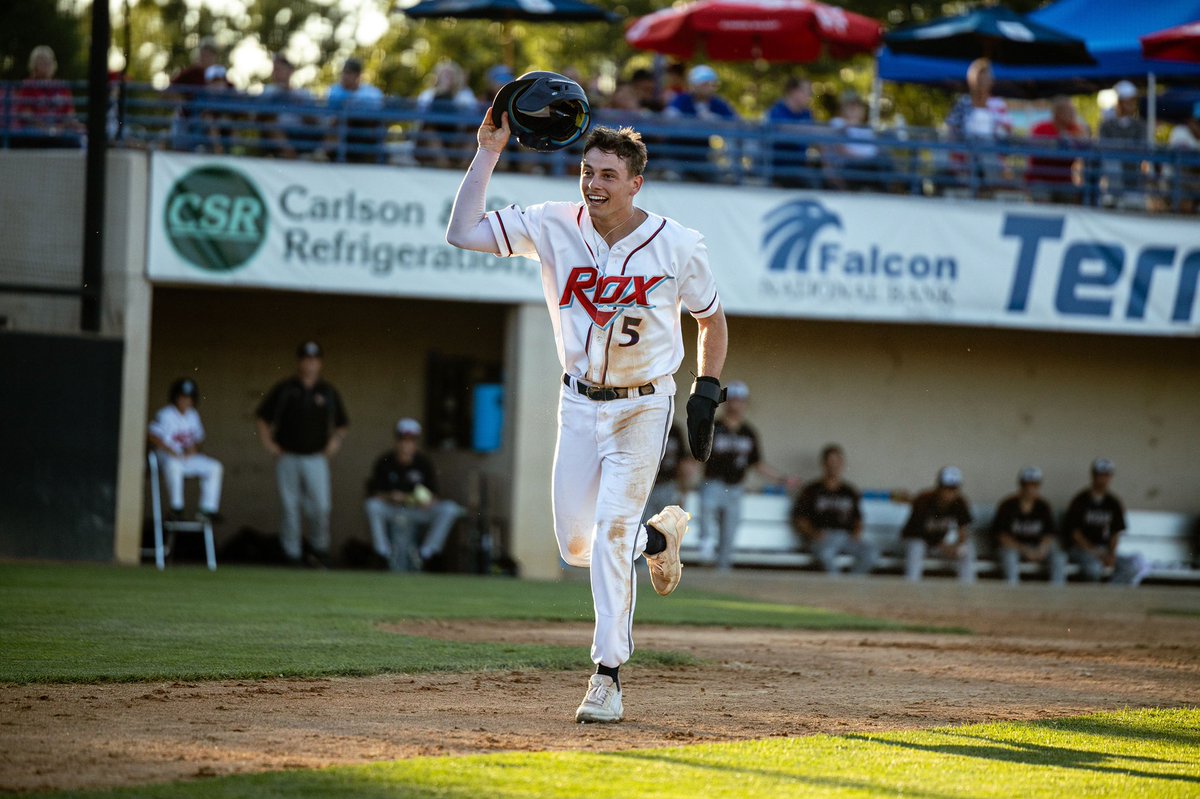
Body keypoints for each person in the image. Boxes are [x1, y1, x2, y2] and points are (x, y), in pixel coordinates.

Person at [445, 105, 729, 724]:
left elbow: (710, 316)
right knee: (576, 543)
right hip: (578, 401)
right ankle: (660, 537)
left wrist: (707, 386)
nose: (594, 184)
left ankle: (607, 676)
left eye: (608, 174)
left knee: (607, 536)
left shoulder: (678, 244)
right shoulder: (553, 224)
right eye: (587, 170)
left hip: (643, 405)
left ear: (635, 184)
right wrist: (488, 150)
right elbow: (462, 231)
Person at [255, 341, 349, 568]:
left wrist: (334, 444)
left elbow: (342, 424)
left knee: (321, 506)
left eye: (314, 359)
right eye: (306, 359)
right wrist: (269, 444)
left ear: (320, 363)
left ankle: (319, 549)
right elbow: (262, 417)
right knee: (290, 506)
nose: (310, 364)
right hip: (288, 455)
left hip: (316, 457)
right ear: (299, 362)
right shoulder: (286, 388)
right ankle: (292, 554)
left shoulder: (327, 391)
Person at [698, 381, 793, 571]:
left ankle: (723, 569)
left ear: (745, 403)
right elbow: (697, 456)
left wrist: (781, 479)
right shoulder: (714, 426)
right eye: (733, 400)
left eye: (740, 400)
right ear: (726, 403)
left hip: (736, 487)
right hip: (713, 483)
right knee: (707, 510)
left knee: (730, 532)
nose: (736, 404)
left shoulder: (749, 432)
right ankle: (705, 545)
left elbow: (757, 464)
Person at [364, 418, 465, 571]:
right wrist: (391, 496)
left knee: (450, 509)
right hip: (393, 509)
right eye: (403, 440)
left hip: (417, 510)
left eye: (411, 440)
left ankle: (427, 552)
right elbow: (374, 494)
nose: (406, 444)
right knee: (372, 506)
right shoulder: (385, 461)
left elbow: (434, 496)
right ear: (397, 441)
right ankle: (382, 552)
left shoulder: (424, 463)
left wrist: (425, 501)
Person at [792, 444, 877, 576]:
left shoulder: (849, 491)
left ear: (842, 464)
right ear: (823, 464)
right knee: (826, 554)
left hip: (846, 537)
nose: (834, 466)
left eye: (837, 462)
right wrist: (813, 534)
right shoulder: (811, 490)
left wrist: (856, 534)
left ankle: (850, 585)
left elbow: (858, 518)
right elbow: (800, 519)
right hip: (823, 536)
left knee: (871, 553)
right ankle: (836, 587)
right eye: (830, 461)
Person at [1063, 458, 1149, 586]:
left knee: (1131, 568)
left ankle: (1109, 597)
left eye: (1106, 475)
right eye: (1100, 475)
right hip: (1082, 550)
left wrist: (1112, 554)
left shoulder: (1113, 503)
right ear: (1093, 475)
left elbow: (1115, 533)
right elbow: (1075, 534)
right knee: (1093, 569)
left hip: (1104, 550)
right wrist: (1095, 552)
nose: (1103, 479)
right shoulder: (1080, 500)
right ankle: (1092, 600)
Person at [147, 378, 223, 522]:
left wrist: (193, 448)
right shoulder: (165, 414)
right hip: (165, 457)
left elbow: (198, 439)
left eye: (189, 398)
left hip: (184, 458)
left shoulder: (193, 415)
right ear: (176, 397)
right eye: (183, 397)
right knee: (174, 465)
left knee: (214, 467)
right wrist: (168, 449)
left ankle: (207, 510)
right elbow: (152, 436)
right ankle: (176, 508)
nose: (186, 401)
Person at [944, 58, 1012, 190]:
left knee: (987, 156)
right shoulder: (964, 103)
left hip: (991, 155)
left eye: (985, 78)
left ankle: (990, 187)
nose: (982, 82)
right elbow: (951, 128)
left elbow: (1006, 133)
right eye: (978, 78)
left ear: (991, 81)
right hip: (966, 154)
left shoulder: (998, 105)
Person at [991, 467, 1066, 586]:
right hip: (1015, 547)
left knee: (1059, 556)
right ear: (1021, 485)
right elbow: (1002, 537)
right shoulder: (1008, 505)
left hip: (1037, 547)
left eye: (1034, 485)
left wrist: (1042, 549)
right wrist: (1025, 550)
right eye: (1027, 485)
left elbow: (1049, 534)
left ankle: (1057, 592)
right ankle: (1012, 591)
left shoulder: (1043, 506)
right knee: (1009, 557)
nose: (1030, 489)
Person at [901, 466, 976, 584]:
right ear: (939, 487)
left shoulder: (960, 502)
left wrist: (957, 546)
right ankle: (912, 585)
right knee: (916, 547)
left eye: (953, 489)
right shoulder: (924, 500)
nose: (950, 493)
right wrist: (943, 546)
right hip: (922, 542)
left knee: (967, 549)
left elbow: (963, 530)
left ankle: (967, 589)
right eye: (946, 488)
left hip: (942, 545)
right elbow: (916, 532)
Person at [12, 46, 83, 148]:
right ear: (34, 65)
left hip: (60, 130)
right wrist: (46, 129)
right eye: (42, 62)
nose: (46, 65)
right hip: (36, 130)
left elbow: (69, 114)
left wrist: (59, 128)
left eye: (49, 61)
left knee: (75, 138)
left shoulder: (62, 86)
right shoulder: (28, 85)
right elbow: (25, 114)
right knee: (30, 137)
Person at [415, 61, 478, 168]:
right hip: (433, 137)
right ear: (438, 76)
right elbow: (420, 120)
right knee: (429, 131)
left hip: (457, 136)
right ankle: (444, 163)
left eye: (451, 74)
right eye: (444, 74)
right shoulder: (427, 95)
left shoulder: (465, 95)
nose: (448, 77)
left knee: (473, 133)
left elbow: (471, 116)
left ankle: (464, 166)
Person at [1027, 96, 1089, 204]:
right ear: (1058, 113)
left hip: (1064, 181)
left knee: (1071, 201)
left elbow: (1085, 146)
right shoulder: (1041, 128)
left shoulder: (1075, 130)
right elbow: (1036, 150)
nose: (1073, 115)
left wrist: (1079, 137)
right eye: (1069, 111)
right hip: (1040, 180)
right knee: (1042, 201)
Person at [259, 53, 320, 159]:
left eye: (279, 69)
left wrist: (301, 107)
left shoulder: (303, 94)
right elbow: (259, 117)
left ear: (290, 71)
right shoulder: (268, 92)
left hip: (300, 133)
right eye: (274, 69)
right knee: (270, 124)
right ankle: (291, 154)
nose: (276, 73)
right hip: (276, 135)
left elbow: (314, 120)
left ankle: (315, 155)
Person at [326, 58, 385, 163]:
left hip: (364, 130)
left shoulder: (372, 93)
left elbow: (376, 115)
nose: (344, 76)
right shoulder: (335, 91)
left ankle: (369, 154)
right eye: (343, 72)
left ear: (357, 75)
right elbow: (332, 118)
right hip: (343, 130)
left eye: (348, 73)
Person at [1098, 81, 1148, 203]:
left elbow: (1141, 146)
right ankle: (1114, 196)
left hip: (1133, 175)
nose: (1130, 105)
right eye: (1127, 101)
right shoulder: (1106, 125)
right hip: (1114, 177)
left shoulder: (1140, 125)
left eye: (1132, 101)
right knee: (1112, 164)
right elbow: (1104, 146)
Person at [827, 94, 890, 191]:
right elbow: (840, 149)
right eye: (851, 106)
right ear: (843, 108)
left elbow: (876, 148)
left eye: (857, 107)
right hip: (849, 165)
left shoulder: (867, 129)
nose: (855, 110)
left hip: (870, 163)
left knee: (885, 162)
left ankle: (896, 192)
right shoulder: (838, 123)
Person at [766, 78, 816, 188]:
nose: (809, 95)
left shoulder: (807, 114)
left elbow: (814, 136)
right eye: (806, 91)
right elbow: (781, 130)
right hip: (779, 169)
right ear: (794, 91)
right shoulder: (776, 111)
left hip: (801, 168)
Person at [641, 424, 692, 527]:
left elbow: (682, 462)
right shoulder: (647, 427)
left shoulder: (675, 431)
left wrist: (683, 491)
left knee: (667, 528)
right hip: (646, 485)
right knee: (644, 529)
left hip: (668, 484)